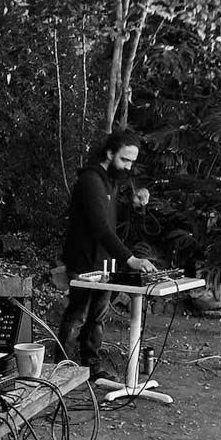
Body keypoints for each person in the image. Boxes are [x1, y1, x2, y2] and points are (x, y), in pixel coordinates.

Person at [57, 128, 157, 381]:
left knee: (98, 317)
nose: (128, 167)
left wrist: (134, 204)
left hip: (104, 262)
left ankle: (91, 366)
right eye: (124, 160)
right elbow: (100, 227)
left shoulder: (111, 179)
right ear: (110, 153)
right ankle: (62, 369)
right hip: (83, 260)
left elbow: (112, 218)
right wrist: (130, 259)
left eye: (132, 161)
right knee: (77, 315)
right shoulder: (91, 180)